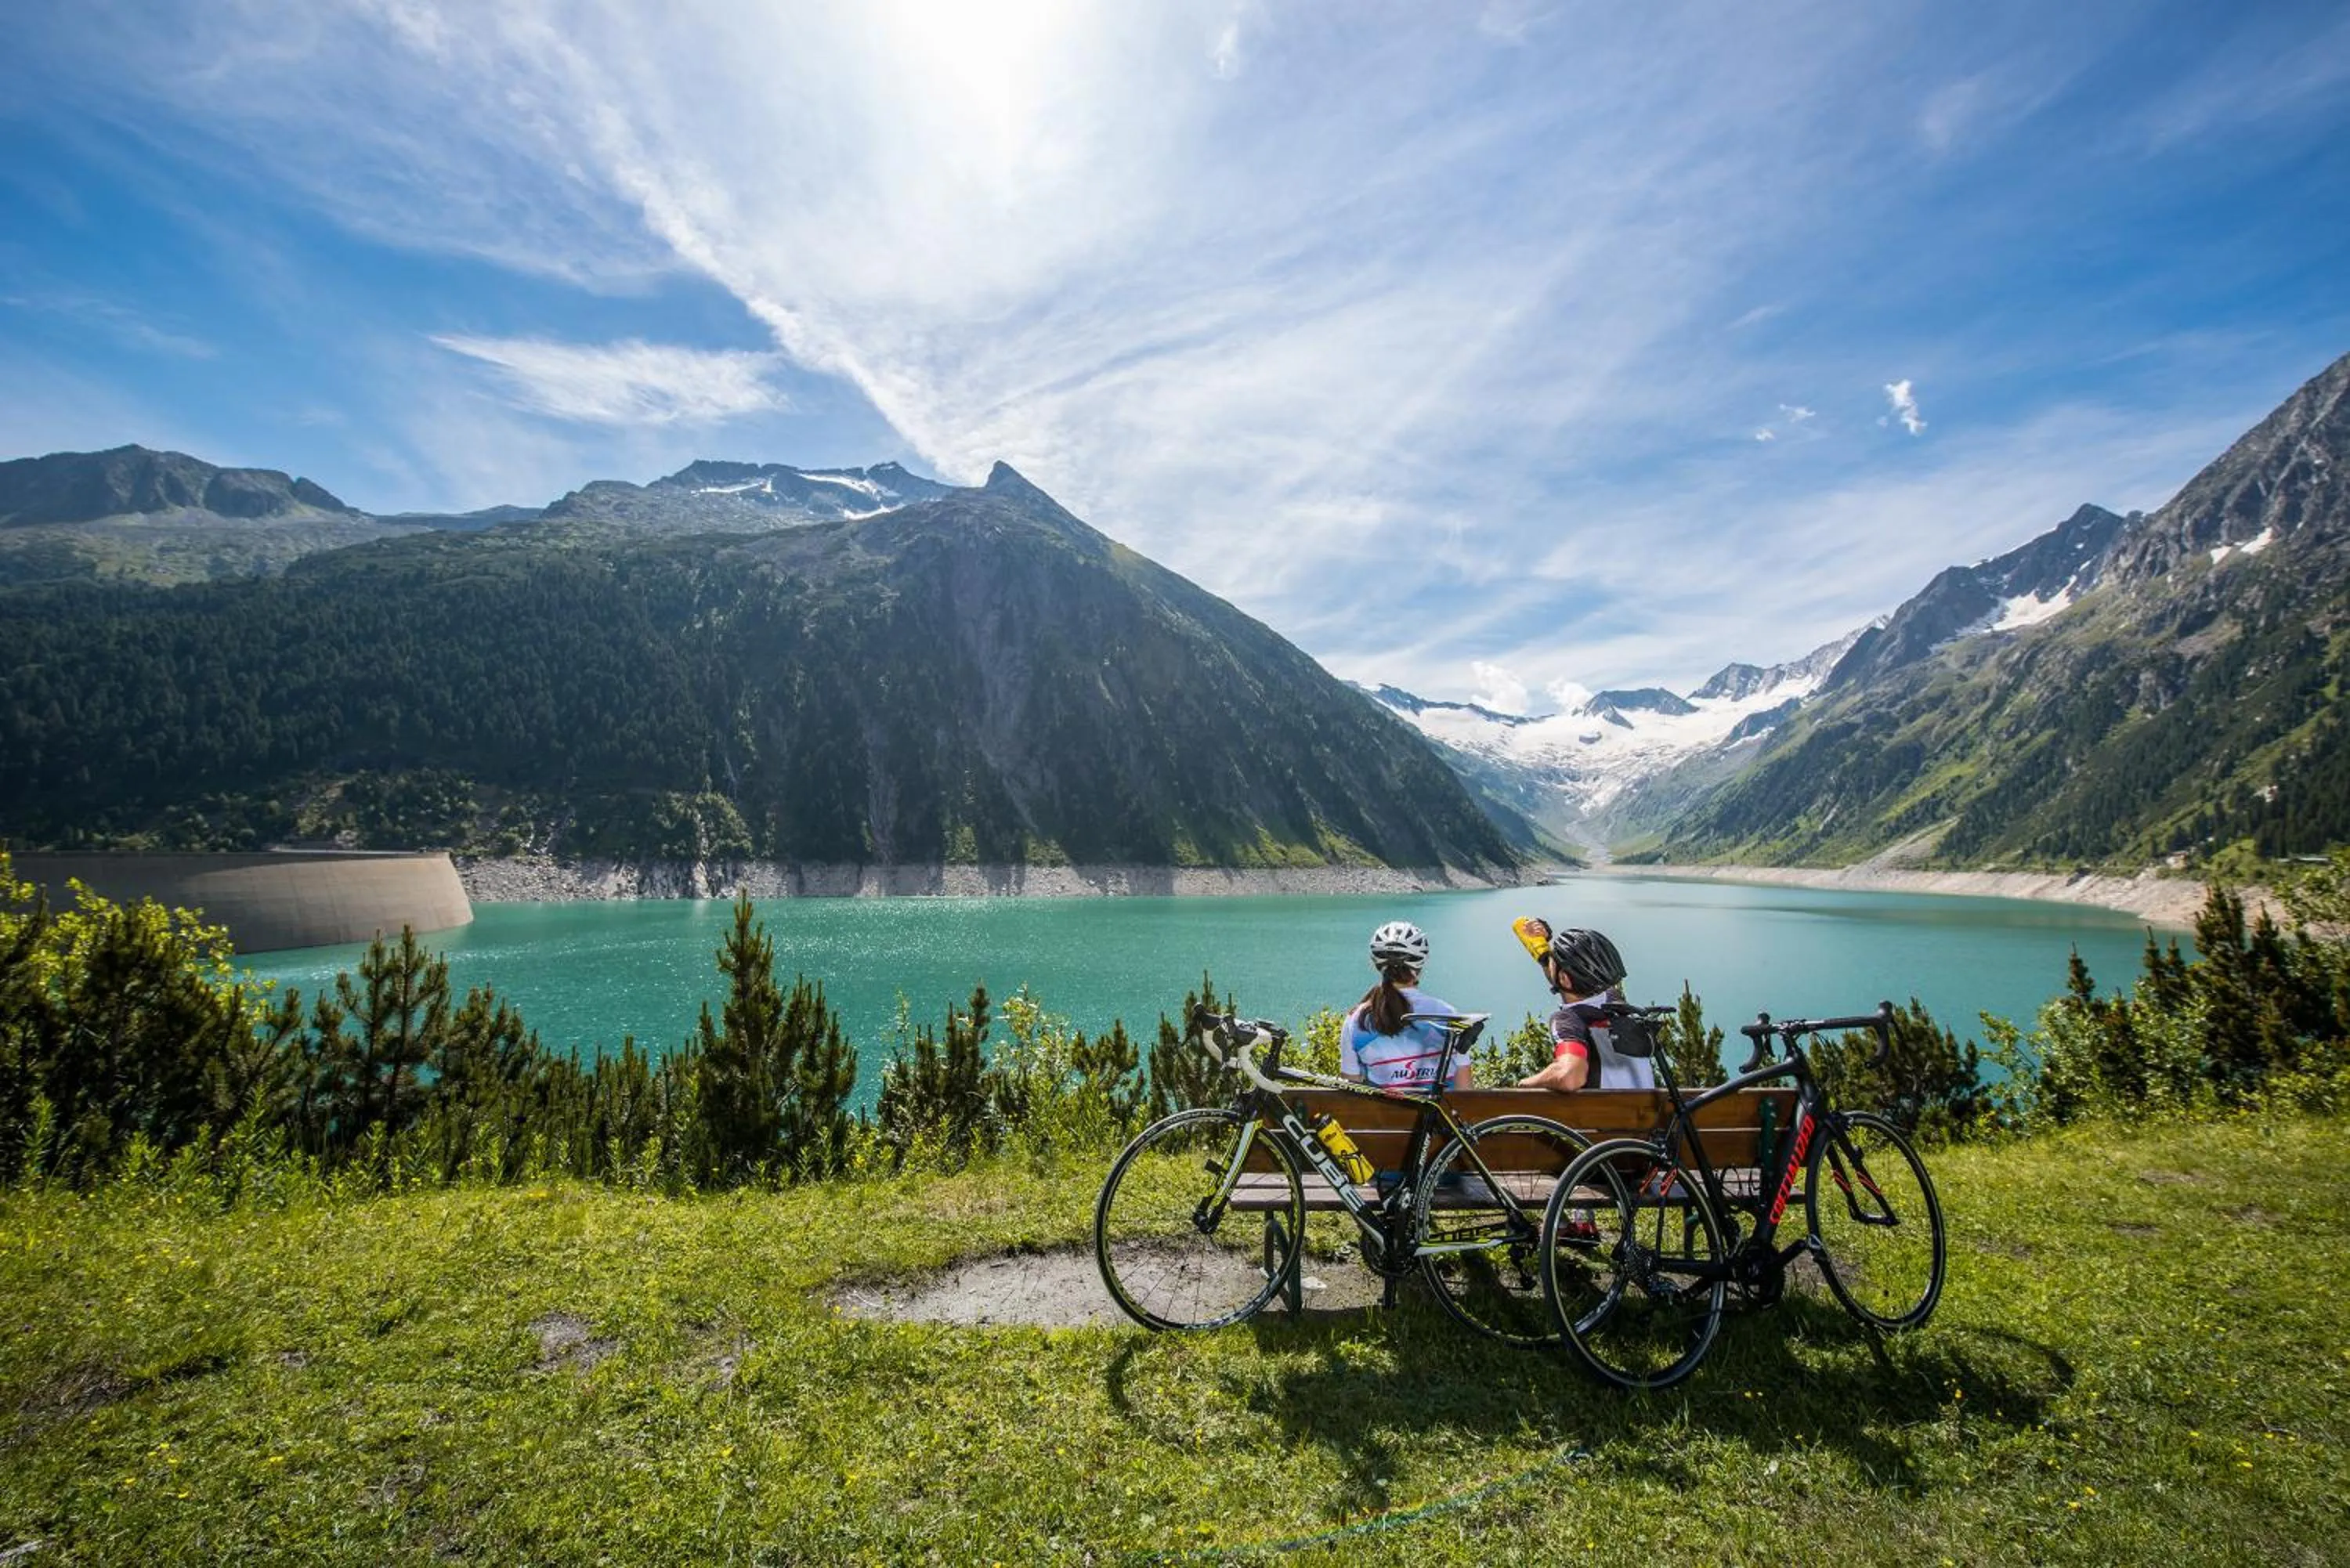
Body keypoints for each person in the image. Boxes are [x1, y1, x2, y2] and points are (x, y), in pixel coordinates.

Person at [1511, 918, 1653, 1091]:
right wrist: (1544, 951)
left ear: (1564, 978)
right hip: (1646, 1114)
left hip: (1607, 1117)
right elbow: (1567, 981)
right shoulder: (1613, 1000)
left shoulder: (1569, 1020)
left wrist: (1525, 1084)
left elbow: (1570, 1076)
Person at [1339, 920, 1472, 1092]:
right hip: (1438, 1117)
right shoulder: (1447, 1015)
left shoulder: (1358, 1020)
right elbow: (1465, 1090)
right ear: (1420, 966)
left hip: (1379, 1118)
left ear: (1377, 965)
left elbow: (1352, 1088)